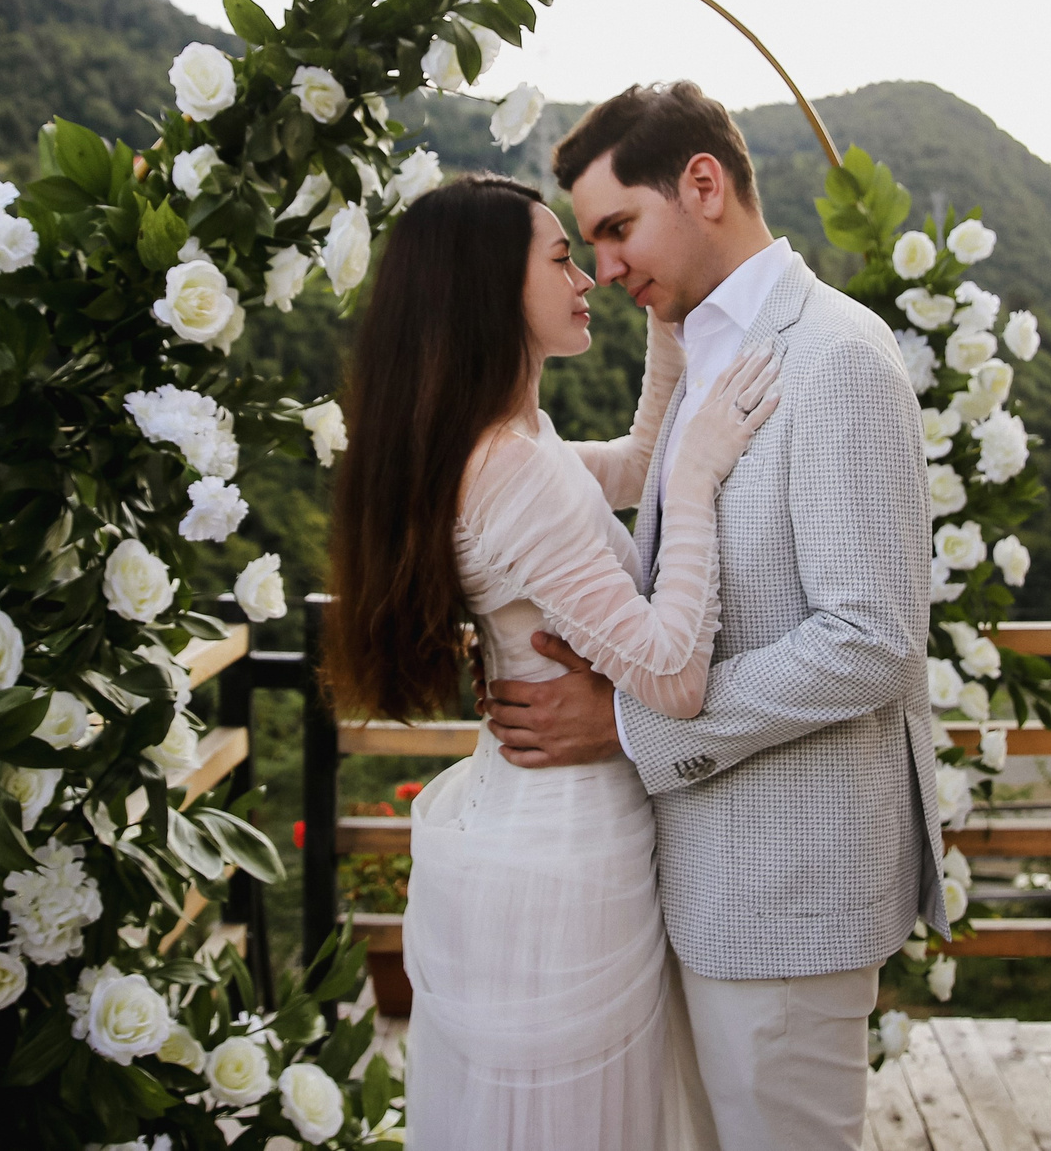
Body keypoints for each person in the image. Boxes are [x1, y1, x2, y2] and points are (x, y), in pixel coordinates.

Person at [485, 82, 944, 1151]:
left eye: (616, 228)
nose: (602, 266)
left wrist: (629, 724)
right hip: (693, 883)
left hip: (785, 894)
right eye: (588, 243)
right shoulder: (701, 349)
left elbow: (870, 639)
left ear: (703, 184)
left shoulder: (833, 357)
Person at [323, 172, 779, 1150]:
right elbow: (670, 673)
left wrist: (670, 320)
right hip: (564, 858)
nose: (588, 278)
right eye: (563, 258)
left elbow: (635, 461)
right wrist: (698, 480)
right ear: (492, 287)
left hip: (540, 824)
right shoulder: (514, 472)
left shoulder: (506, 440)